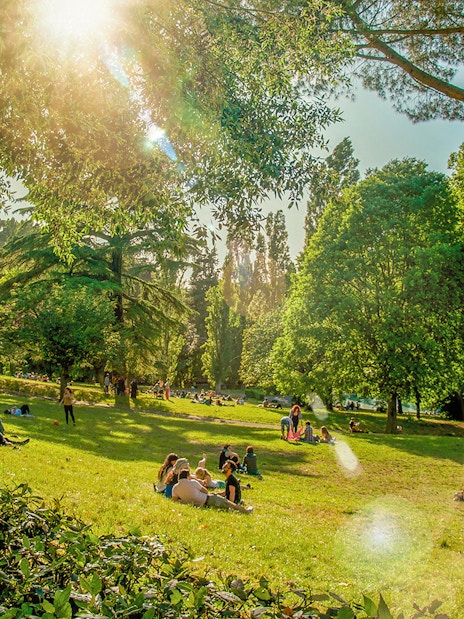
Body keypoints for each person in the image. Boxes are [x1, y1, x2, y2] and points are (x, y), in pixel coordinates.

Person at [172, 469, 253, 513]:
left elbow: (175, 500)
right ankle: (247, 511)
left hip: (199, 506)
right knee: (231, 504)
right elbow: (206, 491)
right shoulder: (193, 483)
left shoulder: (175, 488)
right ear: (188, 476)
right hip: (209, 500)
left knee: (226, 509)